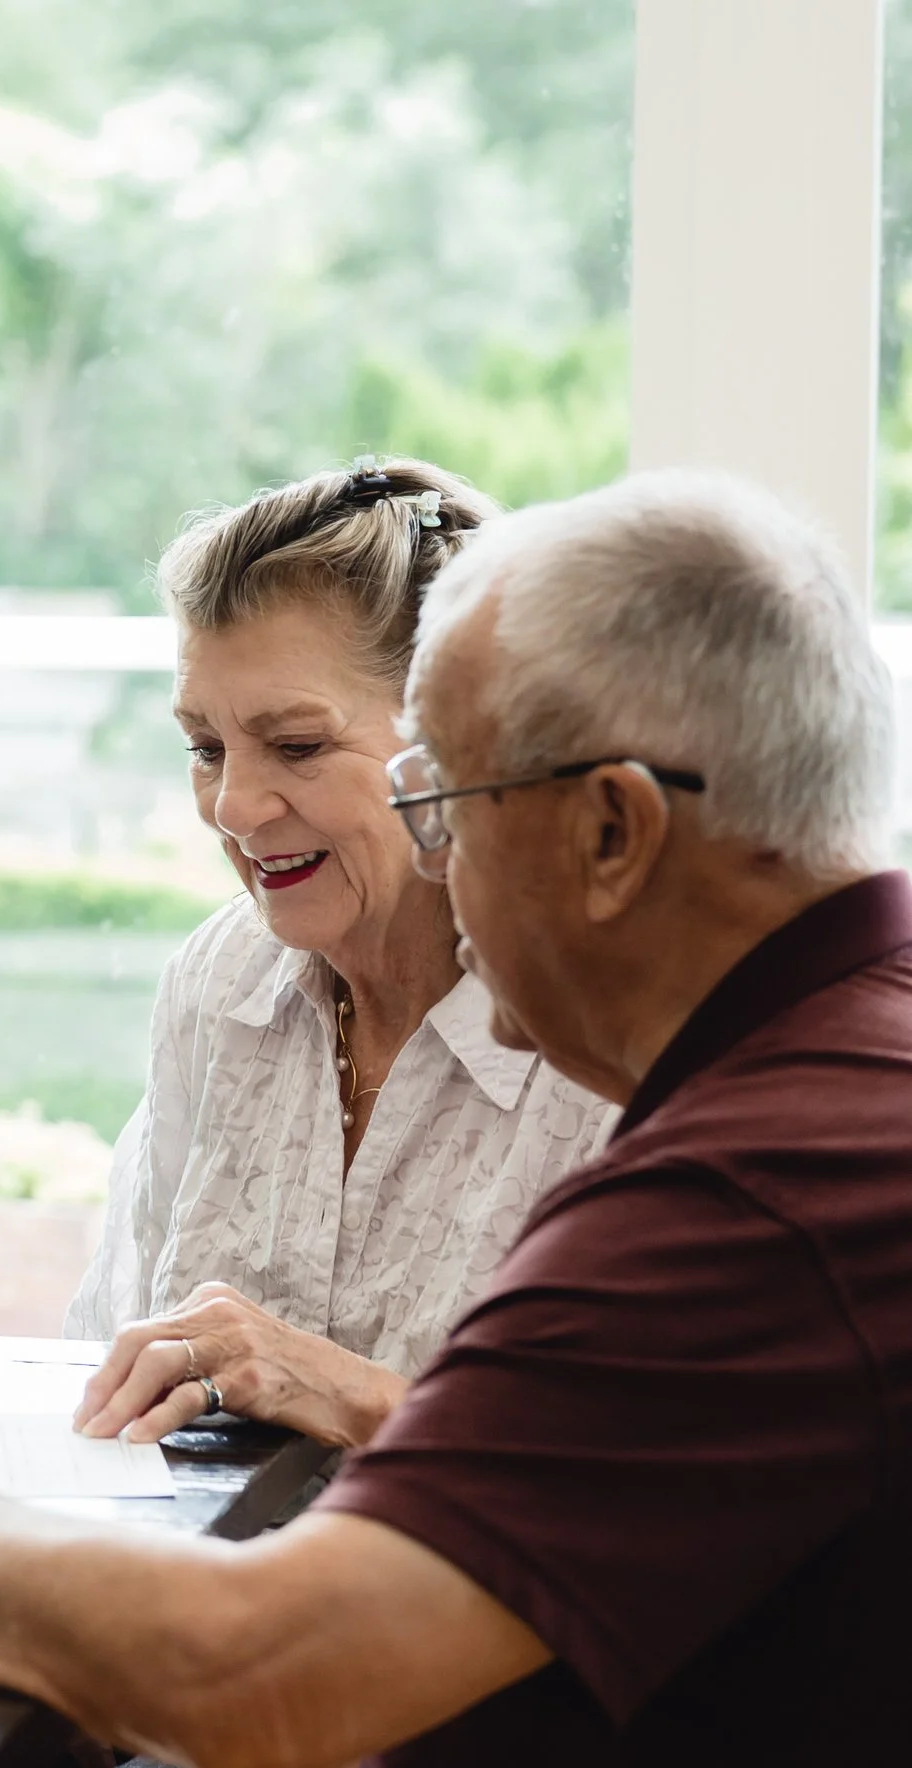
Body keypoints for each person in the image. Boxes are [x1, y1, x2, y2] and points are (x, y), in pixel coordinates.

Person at [0, 470, 912, 1768]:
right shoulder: (828, 1067)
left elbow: (264, 1662)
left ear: (610, 833)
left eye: (444, 801)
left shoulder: (753, 1196)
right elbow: (639, 1738)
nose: (437, 863)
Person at [69, 460, 614, 1451]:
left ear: (461, 741)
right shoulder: (219, 978)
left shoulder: (602, 1040)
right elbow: (110, 1352)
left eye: (297, 746)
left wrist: (336, 1390)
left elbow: (641, 1485)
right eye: (204, 747)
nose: (232, 808)